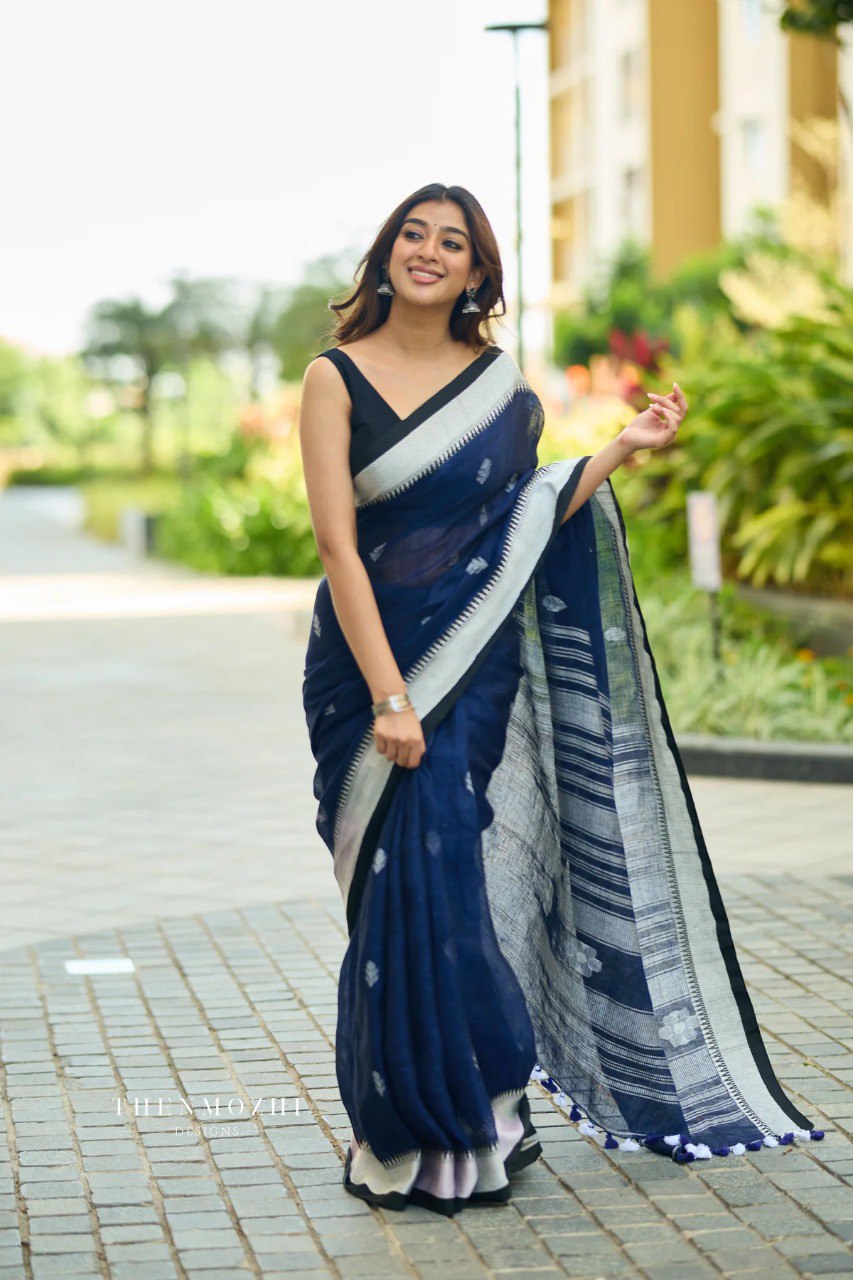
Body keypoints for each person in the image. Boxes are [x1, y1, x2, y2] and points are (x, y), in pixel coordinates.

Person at [298, 182, 819, 1218]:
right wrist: (391, 695)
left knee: (446, 875)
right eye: (413, 234)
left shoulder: (500, 388)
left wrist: (621, 449)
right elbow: (335, 545)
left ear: (477, 271)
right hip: (369, 670)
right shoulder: (334, 376)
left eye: (452, 241)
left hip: (473, 661)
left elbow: (523, 520)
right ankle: (401, 1129)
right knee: (390, 887)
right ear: (387, 252)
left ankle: (481, 1115)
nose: (428, 251)